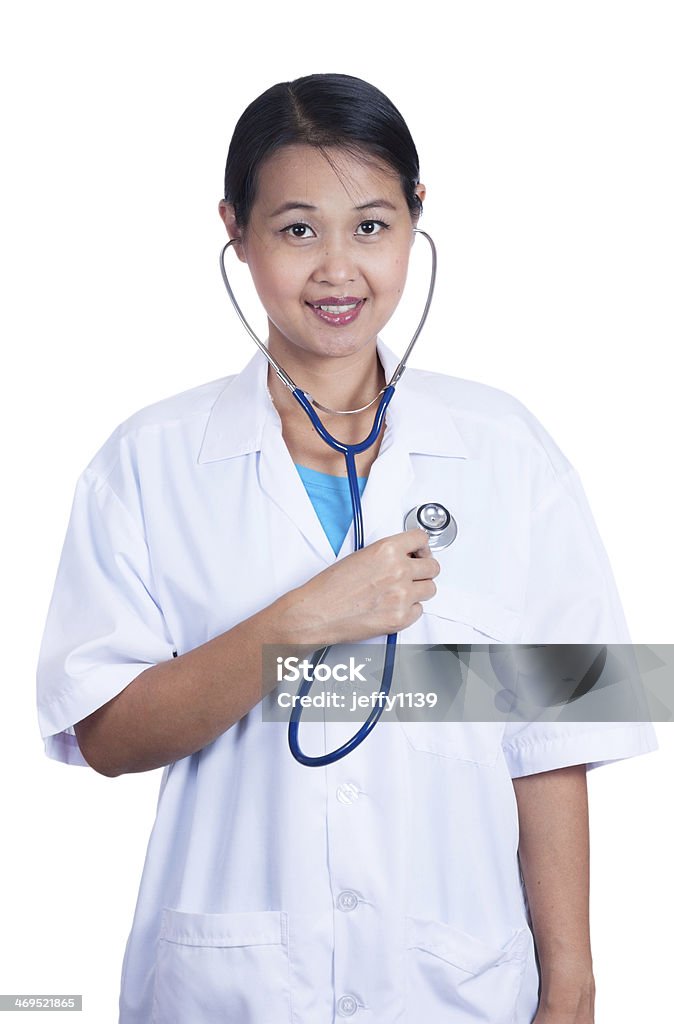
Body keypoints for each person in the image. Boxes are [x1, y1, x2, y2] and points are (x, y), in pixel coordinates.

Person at [37, 73, 658, 1024]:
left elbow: (554, 737)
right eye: (296, 229)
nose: (337, 268)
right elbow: (108, 737)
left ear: (417, 218)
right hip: (232, 991)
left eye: (371, 225)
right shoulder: (146, 463)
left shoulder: (509, 448)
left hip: (457, 987)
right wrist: (300, 622)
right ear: (235, 231)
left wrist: (570, 987)